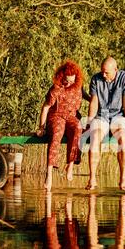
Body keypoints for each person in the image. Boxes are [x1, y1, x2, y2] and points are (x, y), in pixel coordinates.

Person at [85, 57, 125, 191]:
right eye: (102, 71)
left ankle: (123, 178)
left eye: (106, 72)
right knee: (95, 138)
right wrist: (89, 122)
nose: (103, 74)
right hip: (101, 116)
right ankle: (92, 178)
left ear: (115, 70)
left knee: (123, 139)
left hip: (119, 116)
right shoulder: (96, 79)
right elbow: (94, 102)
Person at [36, 60, 83, 191]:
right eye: (67, 81)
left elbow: (87, 97)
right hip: (56, 115)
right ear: (62, 76)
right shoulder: (56, 88)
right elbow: (45, 107)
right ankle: (49, 174)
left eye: (72, 81)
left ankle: (70, 165)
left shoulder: (77, 87)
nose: (69, 83)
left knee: (78, 128)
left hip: (71, 116)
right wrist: (41, 127)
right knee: (57, 133)